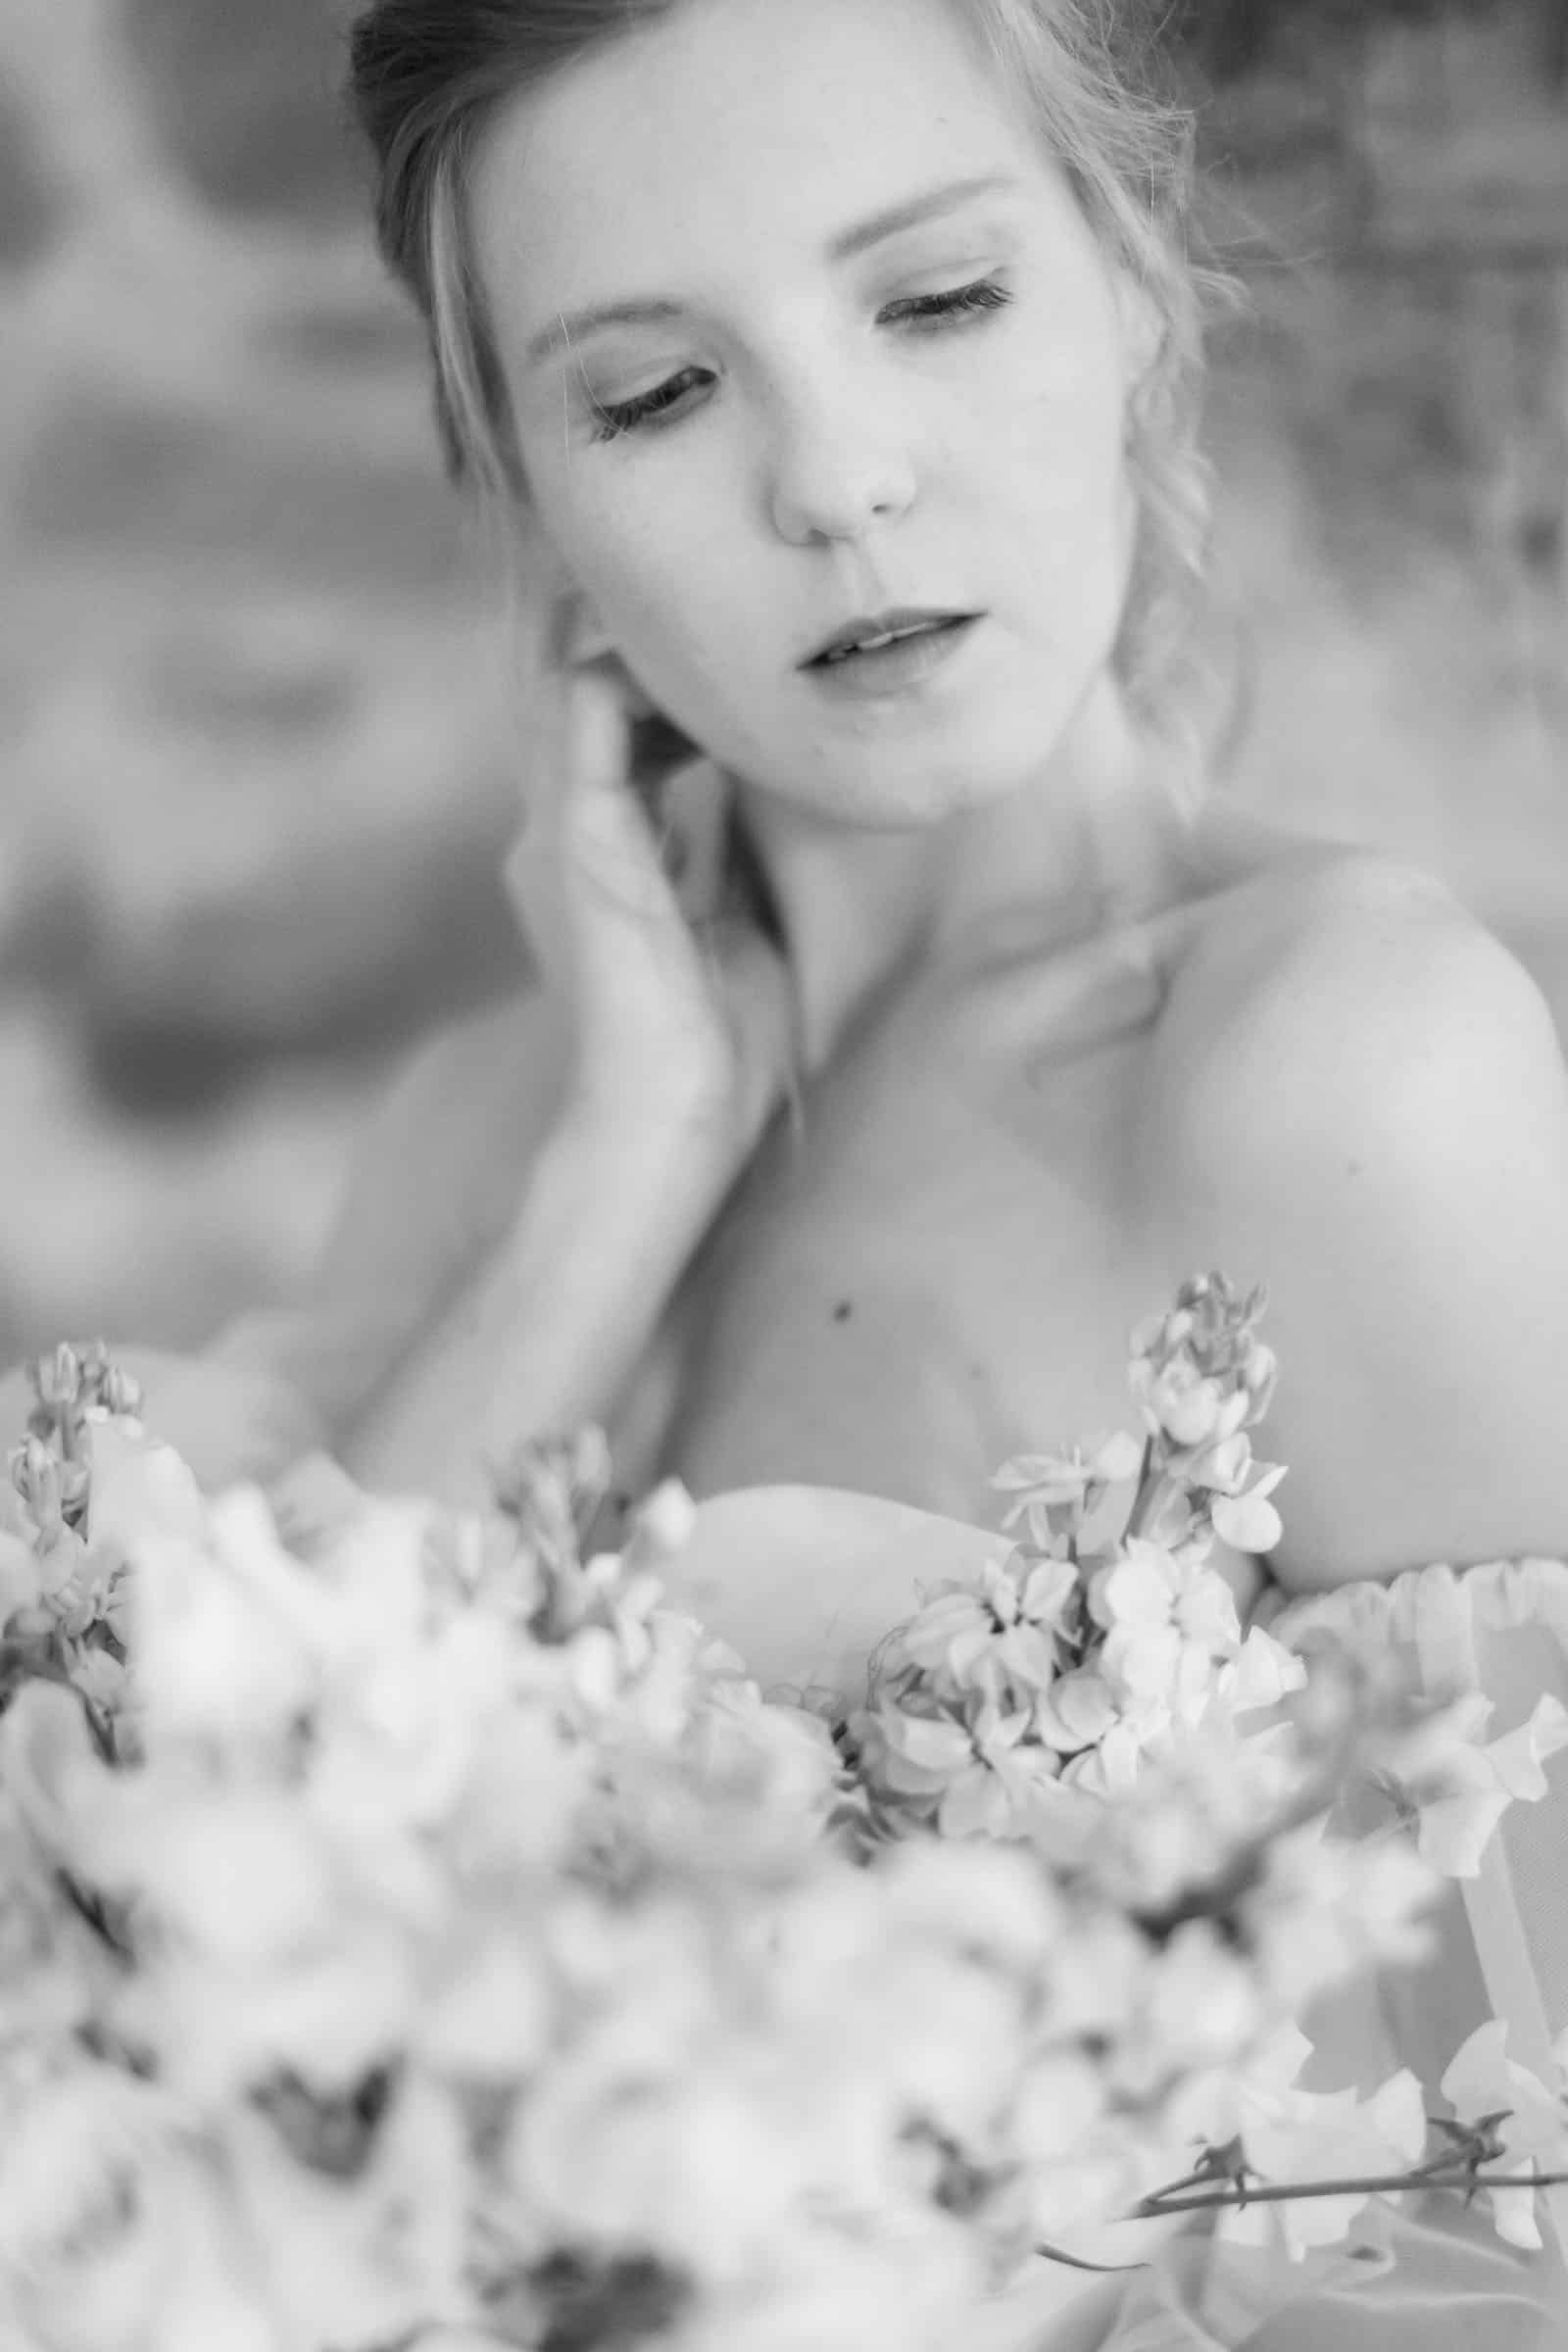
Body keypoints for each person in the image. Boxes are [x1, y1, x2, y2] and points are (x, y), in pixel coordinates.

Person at [5, 6, 1568, 2339]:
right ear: (527, 498)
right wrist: (626, 1170)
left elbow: (1506, 2212)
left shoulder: (1341, 1079)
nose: (835, 480)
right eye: (651, 393)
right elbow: (197, 2020)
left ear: (1128, 283)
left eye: (933, 300)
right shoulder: (487, 1143)